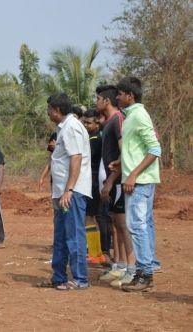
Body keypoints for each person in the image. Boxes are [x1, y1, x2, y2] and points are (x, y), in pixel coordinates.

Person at [38, 93, 92, 290]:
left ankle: (80, 279)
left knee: (74, 234)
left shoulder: (71, 127)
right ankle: (58, 277)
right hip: (63, 192)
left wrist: (70, 189)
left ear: (57, 110)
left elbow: (76, 157)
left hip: (72, 192)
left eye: (49, 110)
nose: (48, 113)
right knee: (60, 235)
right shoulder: (64, 128)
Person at [113, 77, 161, 292]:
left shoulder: (139, 116)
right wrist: (122, 163)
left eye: (120, 94)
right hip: (138, 179)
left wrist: (132, 174)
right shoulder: (131, 116)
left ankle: (144, 274)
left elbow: (155, 149)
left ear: (130, 96)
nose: (117, 97)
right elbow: (139, 150)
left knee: (137, 226)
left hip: (139, 182)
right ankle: (146, 269)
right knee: (143, 225)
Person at [96, 85, 137, 288]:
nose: (96, 103)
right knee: (115, 224)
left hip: (119, 181)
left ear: (106, 101)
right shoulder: (109, 123)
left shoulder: (118, 119)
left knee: (122, 225)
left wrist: (111, 180)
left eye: (98, 99)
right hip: (112, 182)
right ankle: (120, 265)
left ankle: (131, 269)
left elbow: (124, 153)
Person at [81, 109, 106, 265]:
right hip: (92, 180)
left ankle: (96, 252)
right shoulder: (92, 136)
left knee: (90, 217)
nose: (85, 125)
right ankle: (94, 251)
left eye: (88, 123)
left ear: (97, 122)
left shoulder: (95, 139)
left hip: (94, 181)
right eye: (84, 122)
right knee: (90, 217)